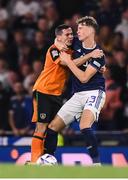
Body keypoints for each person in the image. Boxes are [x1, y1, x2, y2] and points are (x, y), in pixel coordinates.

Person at [31, 24, 104, 163]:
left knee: (52, 127)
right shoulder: (54, 49)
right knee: (41, 127)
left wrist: (99, 64)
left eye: (71, 34)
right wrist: (90, 55)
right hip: (44, 90)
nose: (71, 37)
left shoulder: (70, 49)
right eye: (67, 35)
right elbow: (67, 63)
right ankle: (35, 161)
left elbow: (79, 53)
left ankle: (46, 158)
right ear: (58, 37)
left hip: (57, 94)